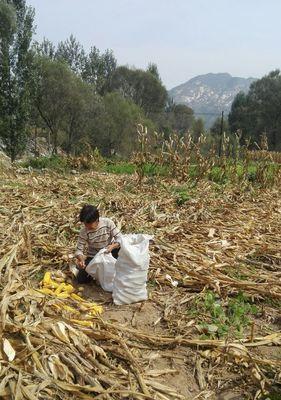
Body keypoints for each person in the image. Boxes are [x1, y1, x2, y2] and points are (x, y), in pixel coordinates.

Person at [75, 204, 121, 284]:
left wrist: (113, 246)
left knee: (121, 251)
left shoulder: (108, 223)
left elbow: (120, 238)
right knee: (81, 279)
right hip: (94, 257)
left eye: (89, 224)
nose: (87, 226)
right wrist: (81, 259)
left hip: (109, 252)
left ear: (97, 220)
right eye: (85, 224)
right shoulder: (84, 231)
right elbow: (79, 250)